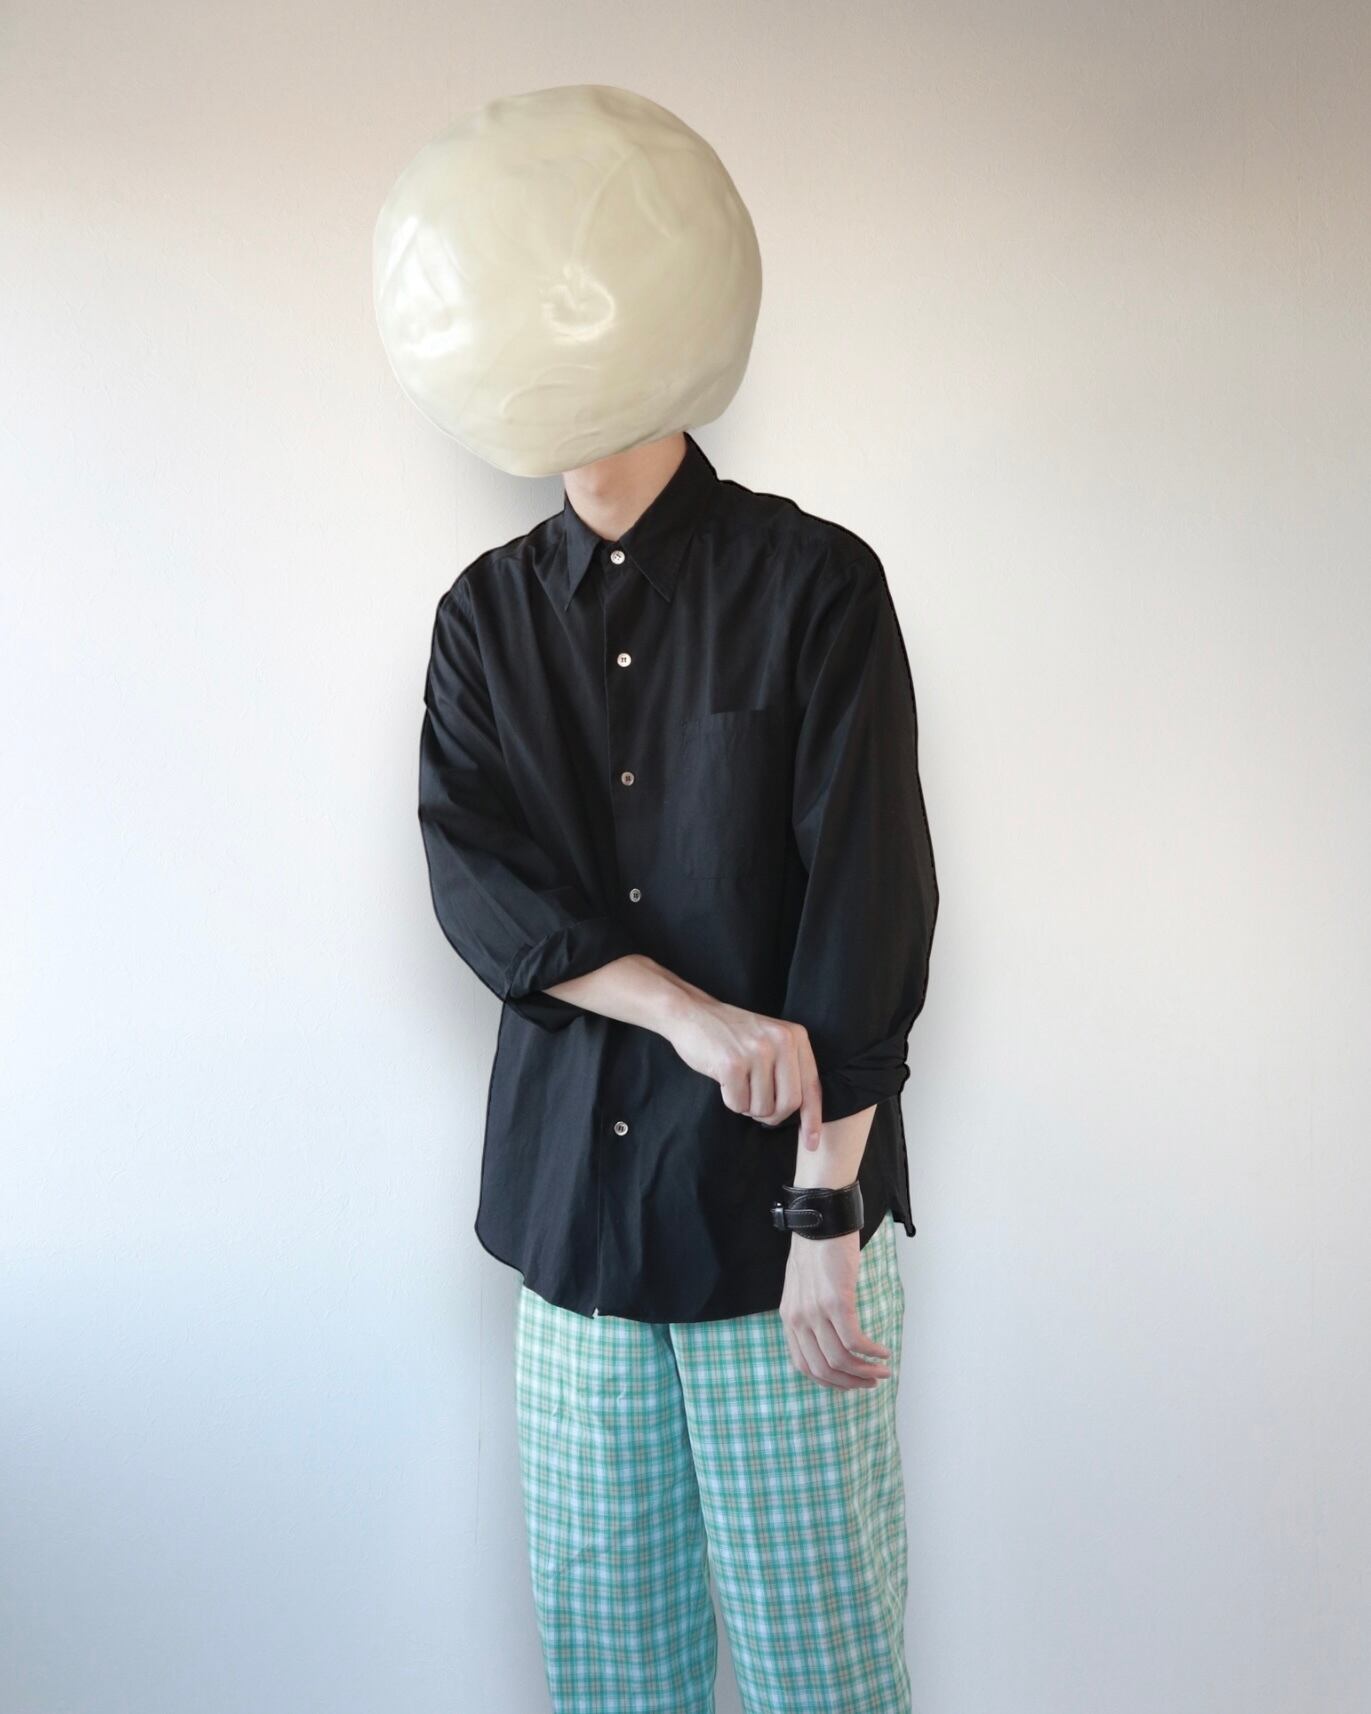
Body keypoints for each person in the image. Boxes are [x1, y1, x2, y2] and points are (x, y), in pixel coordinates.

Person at [418, 424, 939, 1713]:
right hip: (575, 1234)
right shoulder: (485, 615)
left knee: (822, 1674)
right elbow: (479, 884)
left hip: (777, 1231)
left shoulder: (814, 580)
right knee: (611, 1680)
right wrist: (685, 1015)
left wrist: (826, 1205)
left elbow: (870, 908)